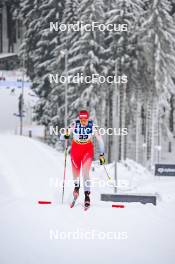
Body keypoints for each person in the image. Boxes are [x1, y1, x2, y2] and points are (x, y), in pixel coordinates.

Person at [61, 110, 105, 208]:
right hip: (76, 150)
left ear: (88, 119)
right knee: (75, 173)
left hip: (87, 150)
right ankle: (76, 188)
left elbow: (100, 141)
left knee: (85, 172)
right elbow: (62, 137)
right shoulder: (74, 124)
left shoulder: (93, 126)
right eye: (81, 119)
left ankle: (87, 196)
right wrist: (66, 134)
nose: (83, 121)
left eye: (85, 119)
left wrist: (102, 155)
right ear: (79, 118)